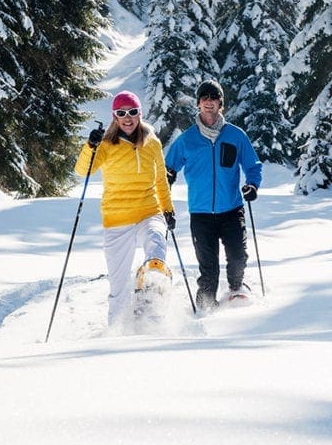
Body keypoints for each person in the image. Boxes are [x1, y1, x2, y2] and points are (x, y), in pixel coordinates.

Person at [75, 91, 176, 327]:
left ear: (139, 114)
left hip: (148, 211)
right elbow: (83, 171)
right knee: (118, 285)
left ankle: (149, 299)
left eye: (132, 112)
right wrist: (90, 146)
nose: (127, 118)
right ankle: (116, 331)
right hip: (117, 219)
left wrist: (168, 210)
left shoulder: (152, 141)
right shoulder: (105, 144)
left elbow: (161, 179)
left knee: (156, 242)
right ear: (114, 117)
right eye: (121, 113)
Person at [164, 79, 262, 310]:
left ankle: (236, 289)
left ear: (221, 104)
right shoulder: (187, 139)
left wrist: (252, 185)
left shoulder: (236, 135)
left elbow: (252, 165)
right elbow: (168, 169)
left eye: (214, 98)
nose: (209, 103)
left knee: (238, 257)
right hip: (201, 213)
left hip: (231, 209)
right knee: (208, 268)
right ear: (198, 103)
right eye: (204, 98)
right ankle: (206, 305)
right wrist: (165, 184)